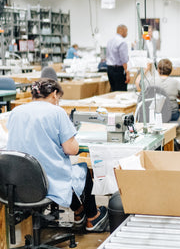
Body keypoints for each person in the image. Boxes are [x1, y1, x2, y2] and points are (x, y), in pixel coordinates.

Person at [6, 78, 109, 232]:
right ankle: (92, 218)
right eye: (58, 99)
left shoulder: (16, 112)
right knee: (81, 171)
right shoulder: (56, 112)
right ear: (54, 94)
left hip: (19, 182)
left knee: (68, 174)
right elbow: (71, 150)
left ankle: (79, 211)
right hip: (46, 181)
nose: (58, 102)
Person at [106, 24, 130, 91]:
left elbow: (107, 55)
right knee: (121, 92)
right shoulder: (122, 42)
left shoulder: (109, 41)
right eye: (126, 32)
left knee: (114, 91)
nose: (127, 34)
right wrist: (127, 73)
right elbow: (124, 60)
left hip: (109, 68)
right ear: (122, 31)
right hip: (118, 70)